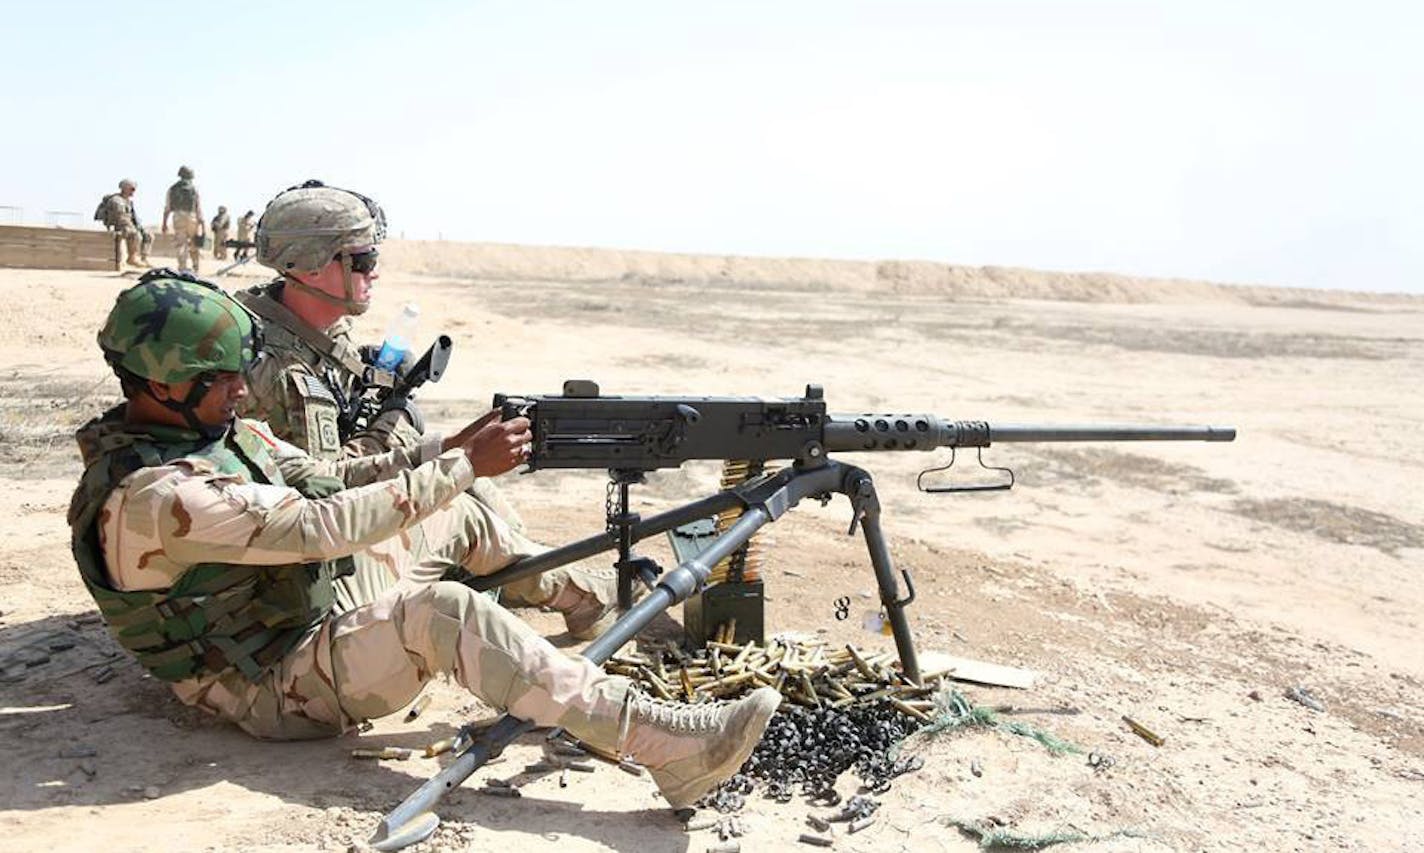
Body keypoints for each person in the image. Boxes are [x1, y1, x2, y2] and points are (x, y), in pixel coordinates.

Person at [68, 271, 779, 811]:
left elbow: (332, 478)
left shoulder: (215, 433)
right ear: (163, 384)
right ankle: (666, 744)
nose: (244, 394)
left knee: (458, 514)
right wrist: (467, 463)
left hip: (295, 614)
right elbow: (320, 527)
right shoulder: (158, 497)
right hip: (264, 685)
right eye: (223, 380)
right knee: (441, 613)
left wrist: (452, 446)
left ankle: (584, 611)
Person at [235, 180, 620, 637]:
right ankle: (569, 590)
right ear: (313, 268)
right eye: (363, 261)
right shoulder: (276, 367)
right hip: (303, 559)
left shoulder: (304, 323)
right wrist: (397, 429)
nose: (374, 273)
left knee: (466, 481)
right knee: (453, 501)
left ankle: (528, 563)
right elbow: (327, 486)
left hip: (322, 519)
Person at [94, 179, 152, 268]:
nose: (134, 191)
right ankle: (132, 258)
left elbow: (133, 217)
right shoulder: (117, 201)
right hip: (117, 226)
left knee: (148, 235)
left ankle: (144, 258)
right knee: (135, 235)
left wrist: (139, 227)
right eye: (132, 189)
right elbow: (121, 218)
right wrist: (133, 227)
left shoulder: (128, 201)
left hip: (127, 225)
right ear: (124, 188)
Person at [162, 165, 206, 273]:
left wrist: (164, 223)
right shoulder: (194, 189)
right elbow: (198, 207)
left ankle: (182, 267)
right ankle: (196, 266)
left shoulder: (172, 189)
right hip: (192, 217)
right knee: (194, 242)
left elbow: (167, 208)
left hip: (178, 217)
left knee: (181, 243)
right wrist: (202, 222)